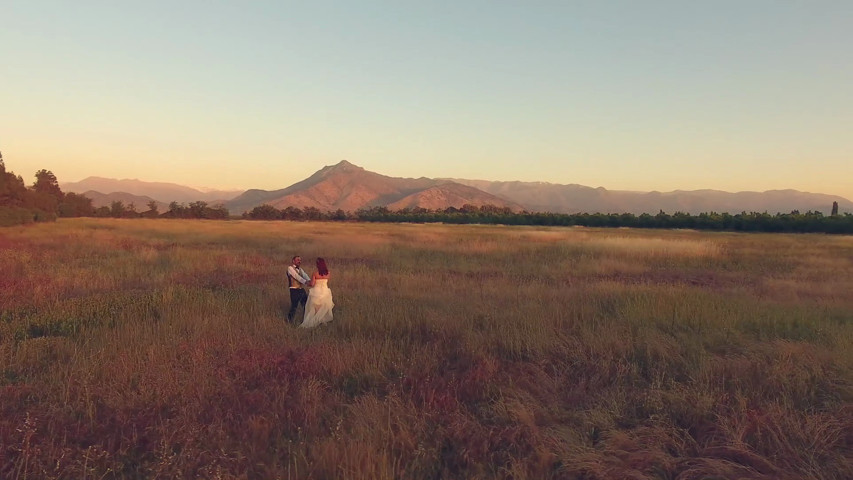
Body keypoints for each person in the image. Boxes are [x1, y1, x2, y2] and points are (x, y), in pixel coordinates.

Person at [300, 257, 334, 328]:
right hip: (325, 292)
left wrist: (306, 282)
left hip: (316, 292)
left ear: (317, 265)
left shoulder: (315, 274)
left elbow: (312, 284)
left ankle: (312, 322)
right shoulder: (328, 273)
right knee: (323, 307)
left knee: (313, 308)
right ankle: (321, 321)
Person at [286, 255, 311, 323]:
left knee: (306, 305)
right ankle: (289, 321)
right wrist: (306, 282)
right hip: (294, 290)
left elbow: (305, 275)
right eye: (297, 260)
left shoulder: (300, 269)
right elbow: (296, 276)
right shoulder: (290, 268)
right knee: (294, 306)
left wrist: (310, 281)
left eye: (300, 260)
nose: (299, 261)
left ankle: (305, 320)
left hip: (301, 289)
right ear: (293, 261)